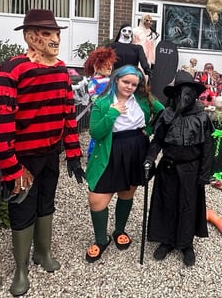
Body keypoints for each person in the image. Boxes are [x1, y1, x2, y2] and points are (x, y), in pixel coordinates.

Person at [0, 8, 85, 297]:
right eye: (47, 34)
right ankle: (20, 269)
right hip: (23, 158)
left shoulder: (61, 70)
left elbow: (69, 115)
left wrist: (72, 152)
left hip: (50, 153)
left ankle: (42, 253)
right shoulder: (10, 71)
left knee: (47, 202)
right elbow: (1, 125)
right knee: (22, 209)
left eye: (56, 33)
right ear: (31, 37)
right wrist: (11, 168)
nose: (55, 38)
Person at [84, 65, 164, 262]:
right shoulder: (102, 102)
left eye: (134, 84)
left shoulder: (143, 100)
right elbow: (95, 132)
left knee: (127, 192)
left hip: (136, 149)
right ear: (116, 80)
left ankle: (120, 230)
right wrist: (112, 113)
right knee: (97, 200)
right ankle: (101, 239)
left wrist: (151, 128)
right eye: (126, 82)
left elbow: (163, 113)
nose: (129, 87)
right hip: (109, 151)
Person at [144, 71, 214, 266]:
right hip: (168, 167)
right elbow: (157, 140)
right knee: (167, 203)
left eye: (189, 93)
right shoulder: (166, 115)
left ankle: (185, 244)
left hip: (191, 169)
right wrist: (149, 159)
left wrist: (204, 174)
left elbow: (208, 147)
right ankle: (166, 240)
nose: (185, 97)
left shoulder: (201, 117)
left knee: (188, 206)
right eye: (181, 93)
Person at [83, 47, 117, 159]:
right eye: (106, 64)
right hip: (100, 111)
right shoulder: (93, 82)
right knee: (97, 133)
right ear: (96, 65)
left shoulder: (111, 80)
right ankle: (93, 155)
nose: (110, 67)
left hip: (112, 109)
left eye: (111, 64)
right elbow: (94, 98)